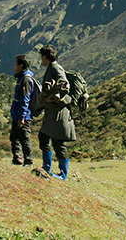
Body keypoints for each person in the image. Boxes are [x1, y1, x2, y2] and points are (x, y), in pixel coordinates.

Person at [37, 45, 74, 180]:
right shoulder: (52, 67)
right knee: (45, 137)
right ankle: (48, 168)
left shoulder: (55, 68)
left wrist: (52, 98)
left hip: (59, 112)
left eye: (42, 56)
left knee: (57, 142)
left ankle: (62, 174)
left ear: (46, 56)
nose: (41, 59)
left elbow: (64, 85)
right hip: (54, 112)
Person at [10, 55, 35, 166]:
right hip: (17, 113)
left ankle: (28, 161)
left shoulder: (26, 79)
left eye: (16, 64)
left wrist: (22, 117)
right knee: (14, 137)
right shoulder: (21, 77)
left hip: (22, 115)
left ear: (20, 66)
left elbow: (25, 99)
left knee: (24, 138)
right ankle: (17, 159)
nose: (14, 66)